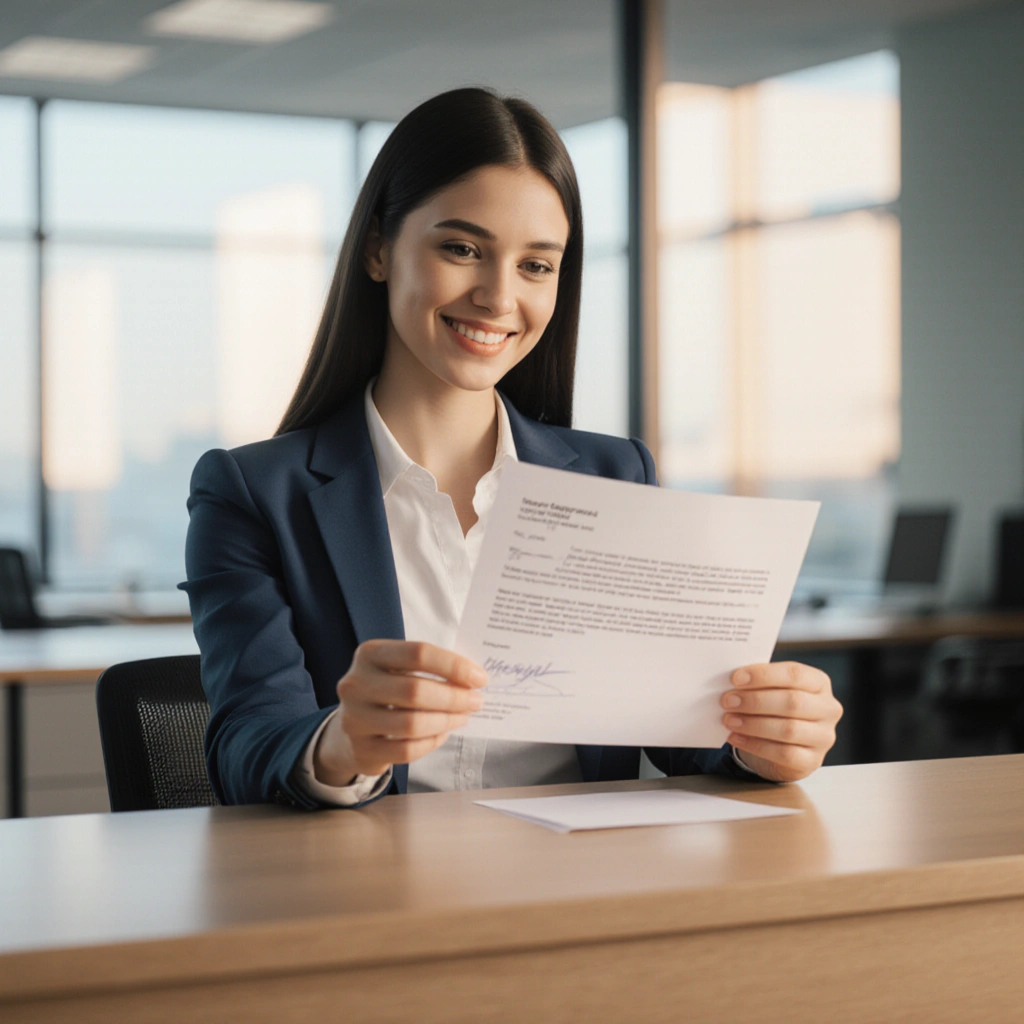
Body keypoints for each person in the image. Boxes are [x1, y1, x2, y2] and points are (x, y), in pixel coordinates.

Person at [181, 87, 843, 810]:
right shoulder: (252, 494)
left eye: (536, 265)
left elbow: (683, 733)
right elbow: (247, 743)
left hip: (576, 891)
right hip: (379, 897)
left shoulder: (616, 474)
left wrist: (765, 734)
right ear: (378, 249)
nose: (499, 297)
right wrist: (343, 741)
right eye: (462, 249)